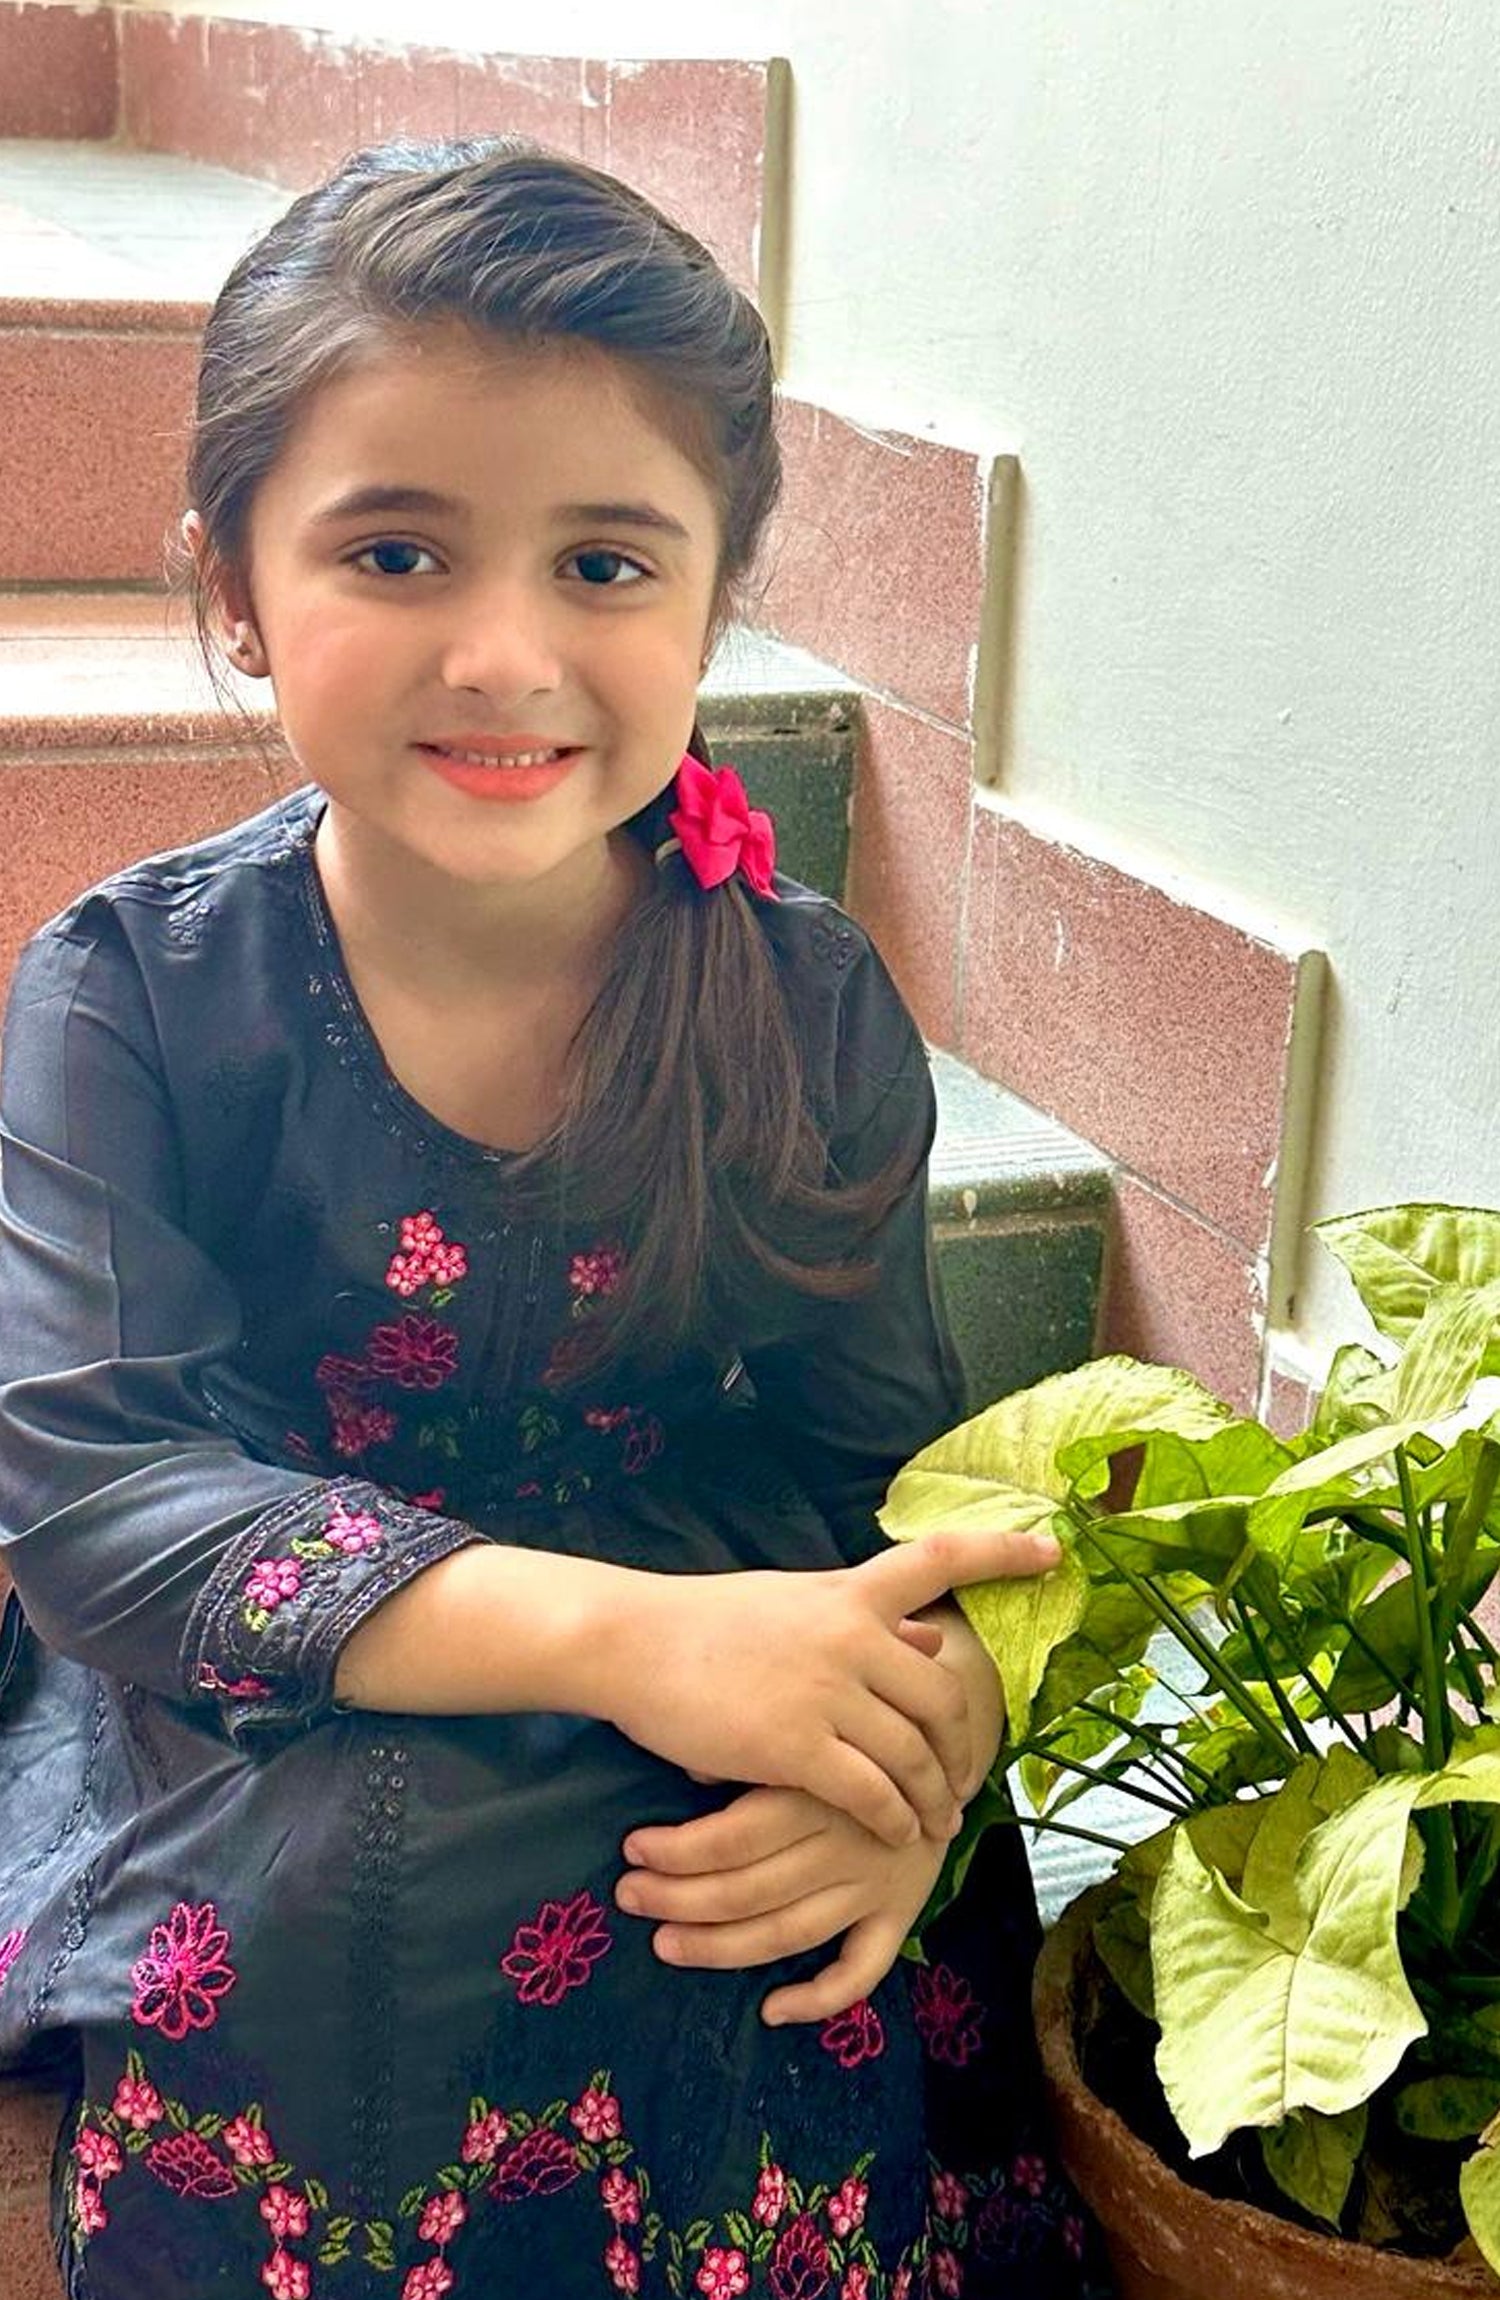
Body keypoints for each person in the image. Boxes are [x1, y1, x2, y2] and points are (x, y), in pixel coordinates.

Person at [0, 139, 1105, 2299]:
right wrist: (632, 1642)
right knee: (333, 1907)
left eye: (605, 564)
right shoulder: (131, 988)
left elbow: (899, 1480)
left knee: (749, 1923)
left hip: (716, 1596)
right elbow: (105, 1501)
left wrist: (921, 1752)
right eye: (396, 551)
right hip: (280, 1637)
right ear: (235, 585)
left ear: (711, 599)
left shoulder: (804, 1003)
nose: (505, 653)